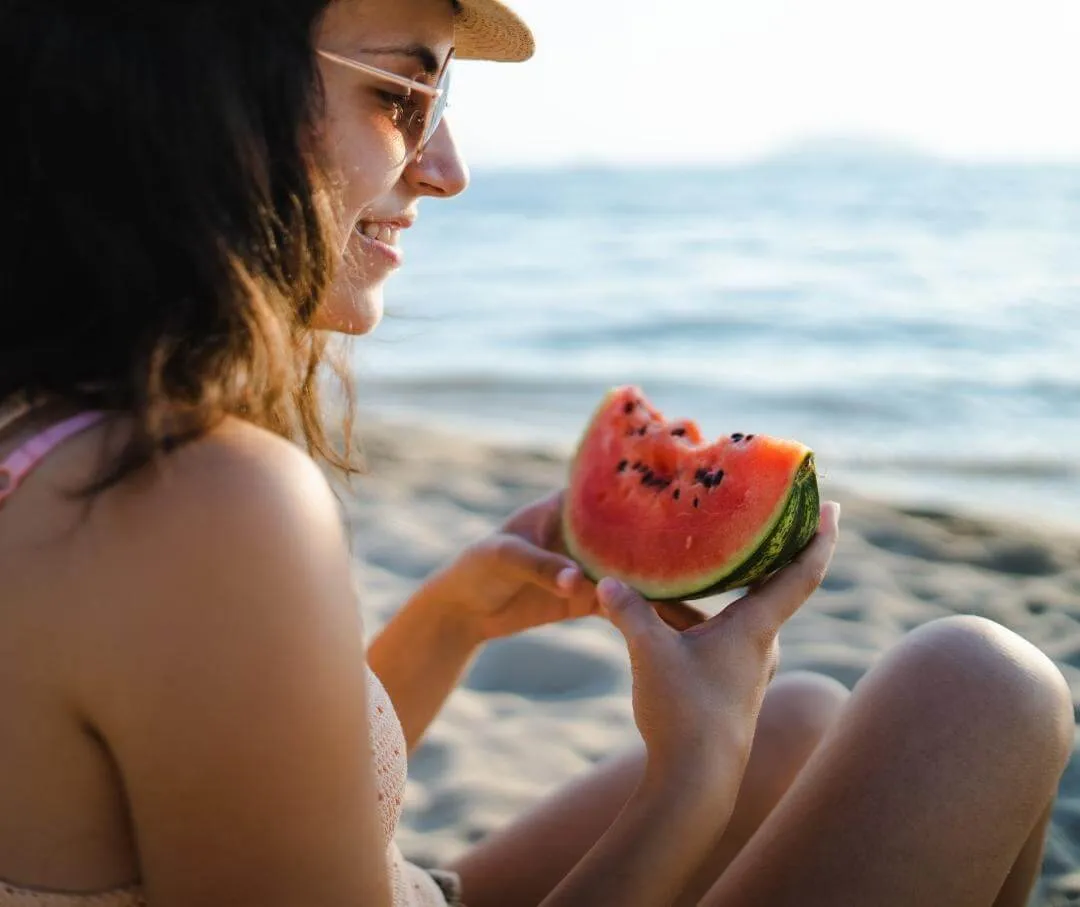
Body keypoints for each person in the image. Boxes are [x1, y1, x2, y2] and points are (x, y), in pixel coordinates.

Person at [0, 1, 1072, 905]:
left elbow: (226, 780)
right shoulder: (195, 499)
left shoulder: (54, 434)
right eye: (399, 94)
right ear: (187, 90)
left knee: (803, 718)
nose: (450, 168)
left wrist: (451, 619)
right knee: (983, 687)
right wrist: (690, 774)